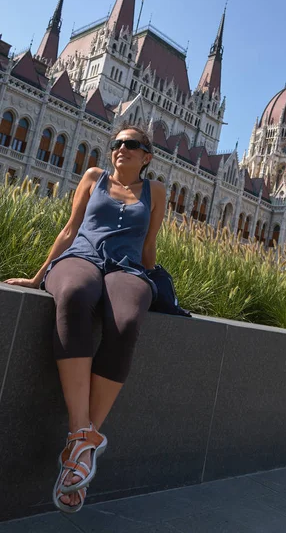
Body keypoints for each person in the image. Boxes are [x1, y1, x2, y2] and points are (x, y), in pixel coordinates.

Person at [4, 124, 166, 512]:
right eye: (117, 143)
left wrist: (144, 280)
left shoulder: (156, 192)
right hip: (82, 257)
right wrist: (37, 276)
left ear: (147, 157)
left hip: (126, 268)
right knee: (74, 293)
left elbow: (149, 248)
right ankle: (82, 435)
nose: (122, 148)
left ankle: (81, 448)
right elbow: (69, 228)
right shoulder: (93, 178)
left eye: (132, 144)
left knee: (126, 320)